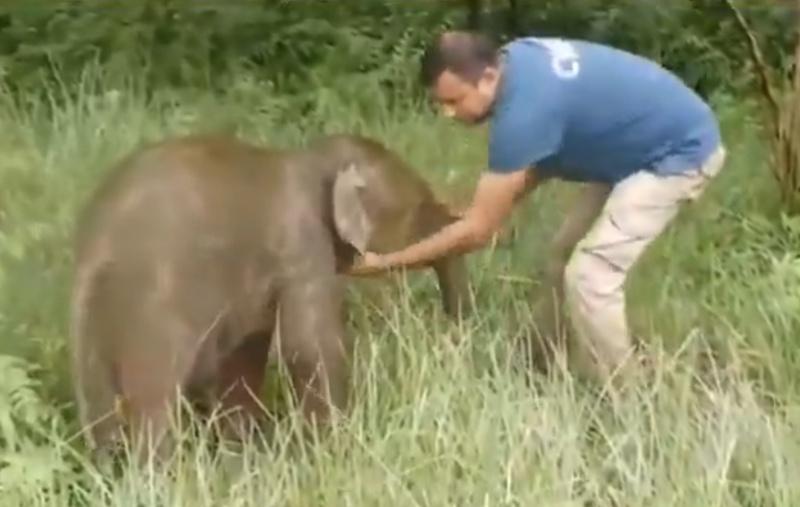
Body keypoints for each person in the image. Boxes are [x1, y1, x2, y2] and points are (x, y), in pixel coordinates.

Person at [347, 30, 727, 388]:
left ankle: (629, 397)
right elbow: (536, 163)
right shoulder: (516, 61)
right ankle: (553, 358)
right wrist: (480, 209)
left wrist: (385, 264)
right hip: (634, 146)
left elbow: (479, 232)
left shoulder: (523, 114)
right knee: (561, 255)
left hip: (677, 153)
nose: (448, 114)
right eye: (440, 103)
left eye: (454, 101)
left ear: (489, 76)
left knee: (590, 275)